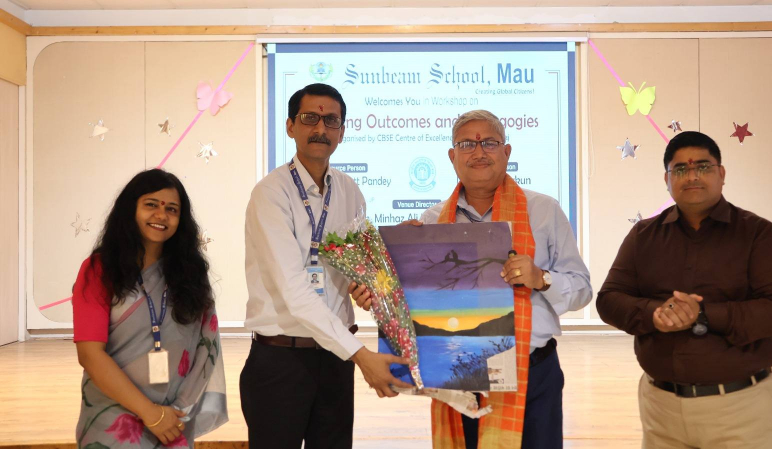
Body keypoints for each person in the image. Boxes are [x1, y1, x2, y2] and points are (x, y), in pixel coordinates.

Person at [359, 109, 592, 448]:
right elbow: (411, 308)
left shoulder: (543, 211)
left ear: (507, 152)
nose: (479, 152)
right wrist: (391, 275)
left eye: (489, 143)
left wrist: (541, 278)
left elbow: (582, 289)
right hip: (456, 376)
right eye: (467, 144)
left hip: (533, 375)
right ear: (452, 156)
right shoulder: (431, 222)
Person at [597, 131, 772, 449]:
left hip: (741, 409)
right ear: (667, 179)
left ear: (721, 174)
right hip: (661, 410)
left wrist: (703, 314)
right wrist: (656, 314)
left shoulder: (757, 234)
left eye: (703, 167)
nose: (692, 176)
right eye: (680, 169)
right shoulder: (644, 236)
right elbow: (609, 299)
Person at [240, 83, 411, 449]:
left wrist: (366, 284)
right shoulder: (271, 194)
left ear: (342, 131)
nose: (321, 128)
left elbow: (352, 267)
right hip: (281, 361)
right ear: (290, 126)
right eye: (309, 118)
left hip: (335, 359)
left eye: (331, 120)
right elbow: (294, 290)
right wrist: (362, 356)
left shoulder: (349, 191)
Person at [72, 169, 227, 448]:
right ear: (130, 209)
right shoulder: (100, 270)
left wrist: (175, 411)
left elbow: (206, 347)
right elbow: (90, 355)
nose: (161, 215)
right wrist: (151, 414)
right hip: (112, 417)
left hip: (174, 418)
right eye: (151, 205)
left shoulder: (191, 275)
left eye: (172, 209)